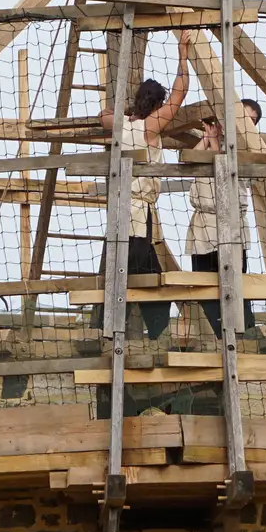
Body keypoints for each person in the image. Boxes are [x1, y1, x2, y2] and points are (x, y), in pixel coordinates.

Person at [98, 31, 194, 340]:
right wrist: (182, 54)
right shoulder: (151, 126)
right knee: (148, 278)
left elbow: (103, 116)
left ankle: (107, 331)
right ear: (156, 105)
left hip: (118, 214)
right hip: (139, 217)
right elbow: (180, 93)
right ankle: (153, 334)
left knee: (115, 274)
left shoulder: (121, 124)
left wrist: (126, 113)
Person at [184, 99, 261, 337]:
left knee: (236, 287)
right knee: (206, 288)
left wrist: (215, 141)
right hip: (205, 229)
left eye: (251, 121)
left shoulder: (248, 149)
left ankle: (243, 336)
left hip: (232, 228)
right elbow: (186, 159)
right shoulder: (207, 143)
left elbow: (226, 172)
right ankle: (216, 336)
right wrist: (209, 137)